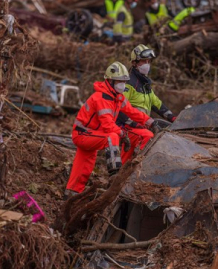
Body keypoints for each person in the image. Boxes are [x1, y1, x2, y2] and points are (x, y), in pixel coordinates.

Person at [65, 62, 155, 197]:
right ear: (110, 81)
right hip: (83, 134)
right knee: (111, 137)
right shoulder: (101, 98)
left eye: (124, 82)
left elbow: (132, 112)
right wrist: (123, 134)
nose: (122, 85)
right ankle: (115, 174)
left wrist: (150, 122)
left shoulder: (117, 97)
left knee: (83, 168)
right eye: (120, 81)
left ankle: (71, 194)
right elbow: (108, 125)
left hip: (93, 134)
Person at [116, 44, 176, 160]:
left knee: (126, 160)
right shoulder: (129, 83)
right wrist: (132, 123)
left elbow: (156, 104)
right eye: (143, 61)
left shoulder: (145, 84)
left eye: (149, 61)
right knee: (147, 139)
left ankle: (122, 174)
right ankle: (138, 167)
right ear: (134, 63)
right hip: (130, 126)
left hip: (142, 126)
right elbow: (119, 107)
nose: (147, 64)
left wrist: (172, 117)